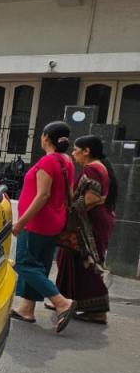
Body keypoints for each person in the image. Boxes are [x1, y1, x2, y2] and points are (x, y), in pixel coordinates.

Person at [11, 121, 76, 331]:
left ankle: (61, 303)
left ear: (46, 137)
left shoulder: (48, 162)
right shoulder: (67, 161)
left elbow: (43, 195)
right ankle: (26, 309)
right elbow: (70, 194)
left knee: (24, 263)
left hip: (37, 223)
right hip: (54, 222)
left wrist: (20, 222)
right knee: (38, 264)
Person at [53, 135, 118, 324]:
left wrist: (70, 208)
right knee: (72, 258)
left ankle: (96, 310)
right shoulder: (98, 167)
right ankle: (64, 300)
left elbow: (92, 197)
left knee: (87, 262)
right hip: (95, 220)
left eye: (75, 149)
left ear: (86, 151)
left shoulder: (93, 168)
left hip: (91, 222)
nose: (73, 154)